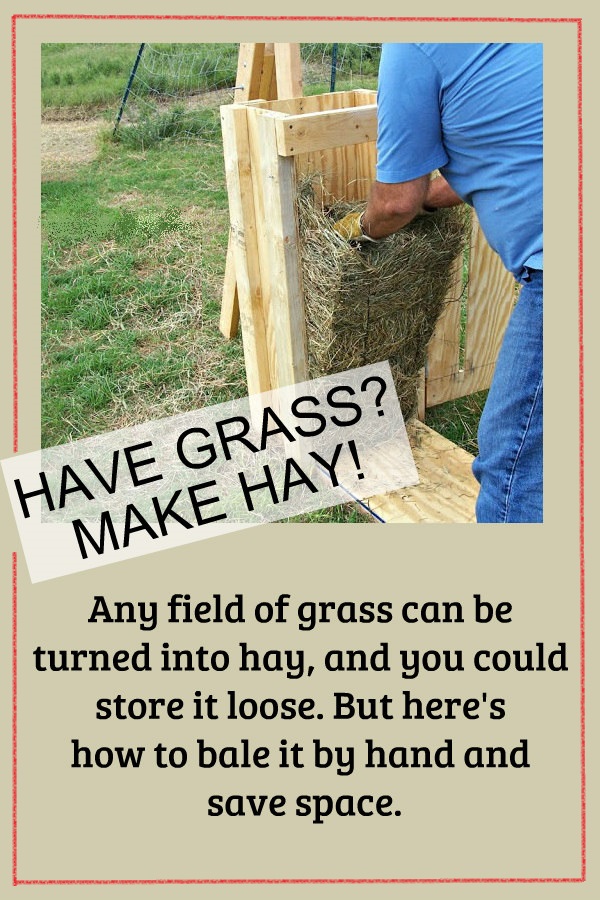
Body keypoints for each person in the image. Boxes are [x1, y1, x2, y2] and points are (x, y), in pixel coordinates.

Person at [334, 43, 543, 523]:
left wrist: (356, 231)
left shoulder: (414, 41)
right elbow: (501, 148)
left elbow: (393, 204)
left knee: (515, 468)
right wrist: (428, 199)